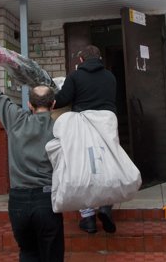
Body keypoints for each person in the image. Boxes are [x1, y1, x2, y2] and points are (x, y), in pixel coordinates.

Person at [0, 47, 64, 262]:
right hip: (47, 200)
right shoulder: (60, 127)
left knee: (27, 253)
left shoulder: (15, 120)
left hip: (18, 202)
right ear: (53, 104)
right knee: (52, 256)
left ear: (29, 104)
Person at [54, 44, 117, 234]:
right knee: (108, 166)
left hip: (83, 126)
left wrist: (50, 99)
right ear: (99, 59)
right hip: (107, 125)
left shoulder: (75, 76)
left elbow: (63, 99)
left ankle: (88, 218)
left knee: (84, 168)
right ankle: (105, 206)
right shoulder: (110, 76)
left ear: (81, 60)